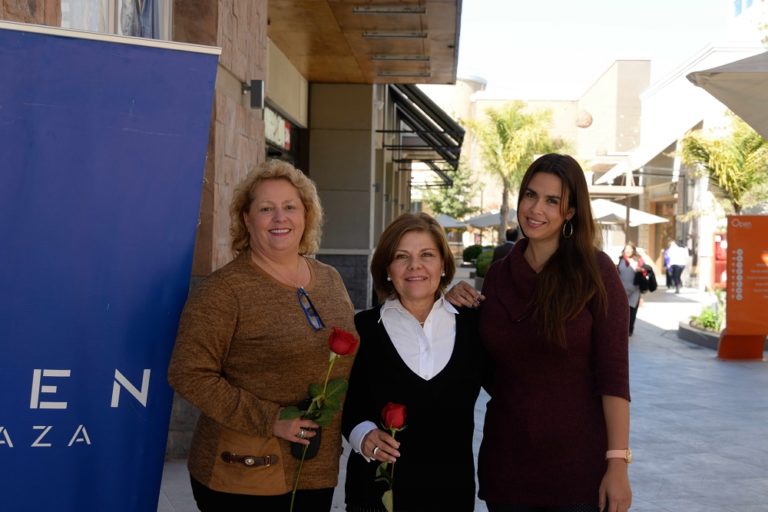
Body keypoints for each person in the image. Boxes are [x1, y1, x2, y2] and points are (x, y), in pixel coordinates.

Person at [168, 160, 357, 512]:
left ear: (306, 215)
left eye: (290, 207)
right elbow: (187, 372)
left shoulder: (330, 279)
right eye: (266, 209)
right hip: (242, 469)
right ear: (246, 219)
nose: (280, 218)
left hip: (317, 467)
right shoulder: (224, 290)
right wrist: (271, 418)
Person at [446, 154, 632, 512]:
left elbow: (614, 379)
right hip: (507, 468)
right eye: (530, 195)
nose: (536, 209)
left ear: (571, 212)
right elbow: (484, 367)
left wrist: (617, 465)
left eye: (552, 201)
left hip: (577, 474)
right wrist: (451, 307)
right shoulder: (500, 274)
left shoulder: (597, 273)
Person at [342, 212, 487, 512]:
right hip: (376, 495)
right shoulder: (363, 328)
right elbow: (347, 403)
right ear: (386, 268)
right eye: (401, 256)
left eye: (427, 255)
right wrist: (363, 435)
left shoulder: (474, 326)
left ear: (444, 264)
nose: (415, 266)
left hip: (451, 495)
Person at [617, 242, 644, 336]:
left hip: (635, 290)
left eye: (630, 249)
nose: (628, 251)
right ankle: (623, 329)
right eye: (626, 249)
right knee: (622, 311)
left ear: (633, 250)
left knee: (632, 311)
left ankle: (630, 329)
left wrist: (640, 270)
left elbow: (644, 273)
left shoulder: (638, 260)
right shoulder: (620, 260)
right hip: (622, 289)